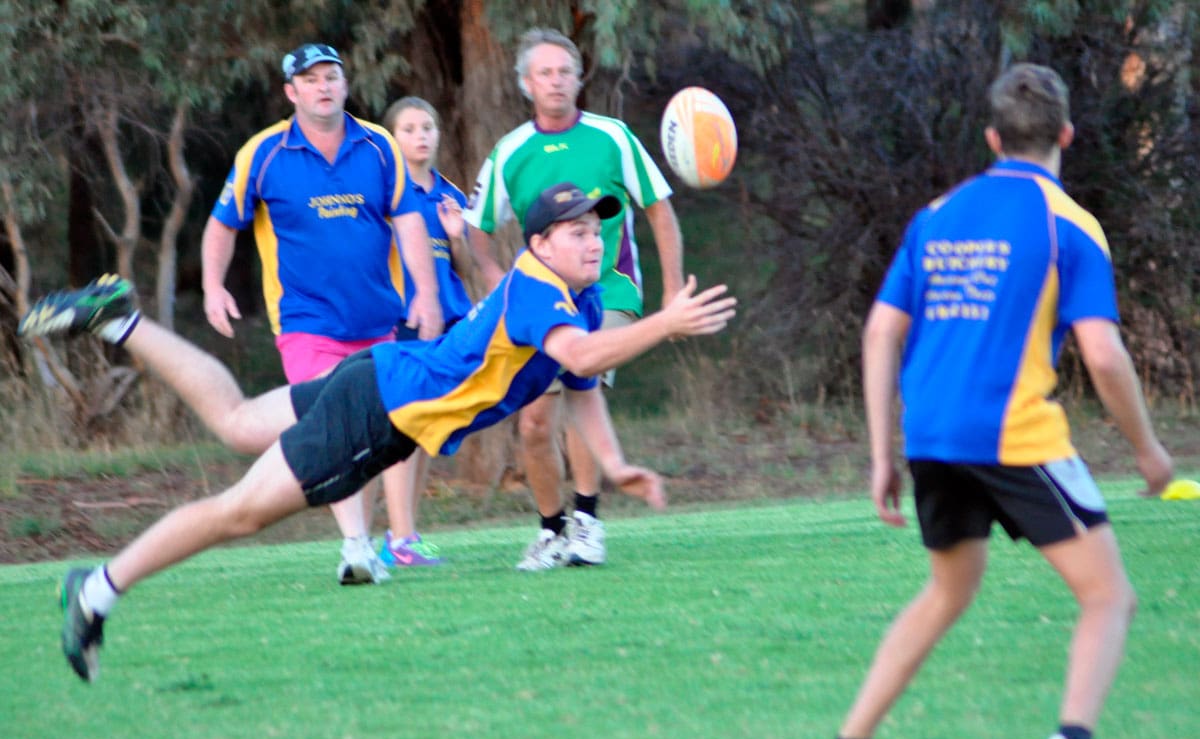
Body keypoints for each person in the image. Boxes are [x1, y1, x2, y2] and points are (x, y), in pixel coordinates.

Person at [20, 182, 737, 683]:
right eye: (579, 230)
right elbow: (581, 358)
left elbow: (579, 388)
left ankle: (117, 318)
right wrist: (665, 323)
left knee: (236, 419)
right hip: (381, 411)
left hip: (381, 377)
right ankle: (96, 589)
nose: (595, 238)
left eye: (599, 226)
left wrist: (612, 463)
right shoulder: (535, 288)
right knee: (238, 512)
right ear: (542, 241)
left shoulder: (573, 296)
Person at [807, 64, 1171, 739]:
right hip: (1012, 435)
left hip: (932, 437)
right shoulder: (1068, 221)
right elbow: (1102, 352)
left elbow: (880, 331)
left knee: (949, 590)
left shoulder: (937, 214)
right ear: (1066, 134)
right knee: (1109, 596)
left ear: (991, 137)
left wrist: (882, 453)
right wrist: (1148, 448)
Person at [200, 43, 443, 585]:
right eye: (310, 80)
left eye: (331, 76)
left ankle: (375, 540)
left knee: (379, 432)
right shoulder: (262, 154)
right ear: (292, 93)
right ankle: (355, 546)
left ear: (345, 84)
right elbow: (222, 224)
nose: (323, 86)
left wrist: (426, 296)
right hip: (306, 324)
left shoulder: (379, 145)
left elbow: (408, 223)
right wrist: (213, 286)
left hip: (378, 321)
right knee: (332, 427)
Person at [463, 27, 684, 571]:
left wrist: (674, 290)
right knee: (535, 422)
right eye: (545, 73)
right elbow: (477, 227)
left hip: (609, 289)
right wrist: (493, 273)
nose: (556, 81)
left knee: (579, 380)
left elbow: (659, 209)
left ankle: (587, 522)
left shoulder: (612, 137)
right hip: (543, 300)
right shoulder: (511, 151)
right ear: (526, 84)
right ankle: (551, 528)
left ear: (579, 79)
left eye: (565, 71)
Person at [373, 96, 476, 568]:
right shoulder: (383, 189)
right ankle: (400, 538)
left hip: (448, 323)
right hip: (403, 320)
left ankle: (405, 533)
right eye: (410, 128)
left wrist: (460, 237)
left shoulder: (449, 193)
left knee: (429, 429)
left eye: (428, 126)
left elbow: (469, 267)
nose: (421, 135)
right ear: (392, 138)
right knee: (405, 426)